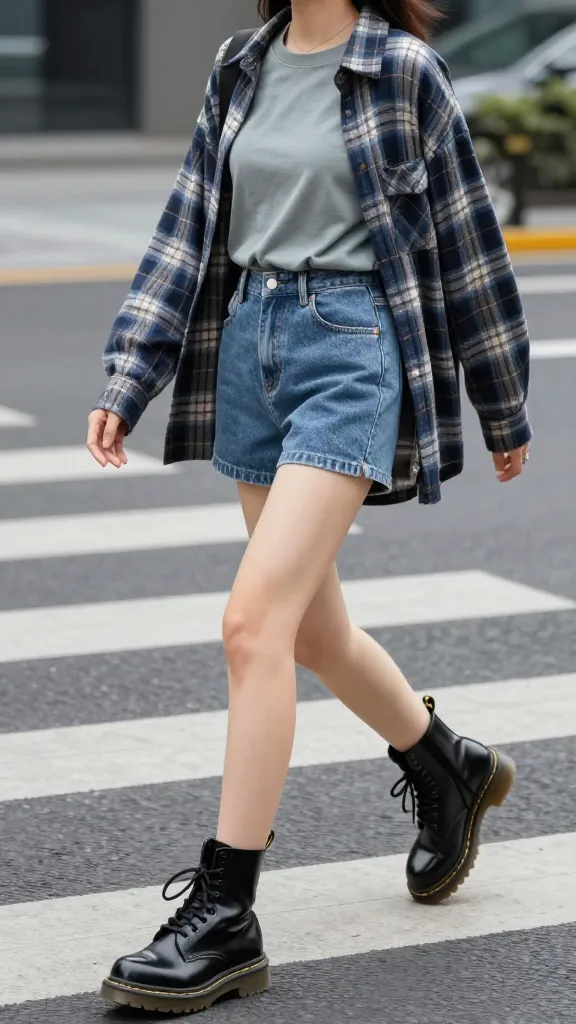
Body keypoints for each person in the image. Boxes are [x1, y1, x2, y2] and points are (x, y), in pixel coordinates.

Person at [88, 0, 531, 1014]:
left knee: (254, 626)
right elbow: (189, 224)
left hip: (353, 348)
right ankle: (447, 764)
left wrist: (502, 403)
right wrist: (129, 373)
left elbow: (468, 242)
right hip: (254, 349)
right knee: (315, 630)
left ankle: (227, 911)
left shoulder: (404, 70)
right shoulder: (239, 64)